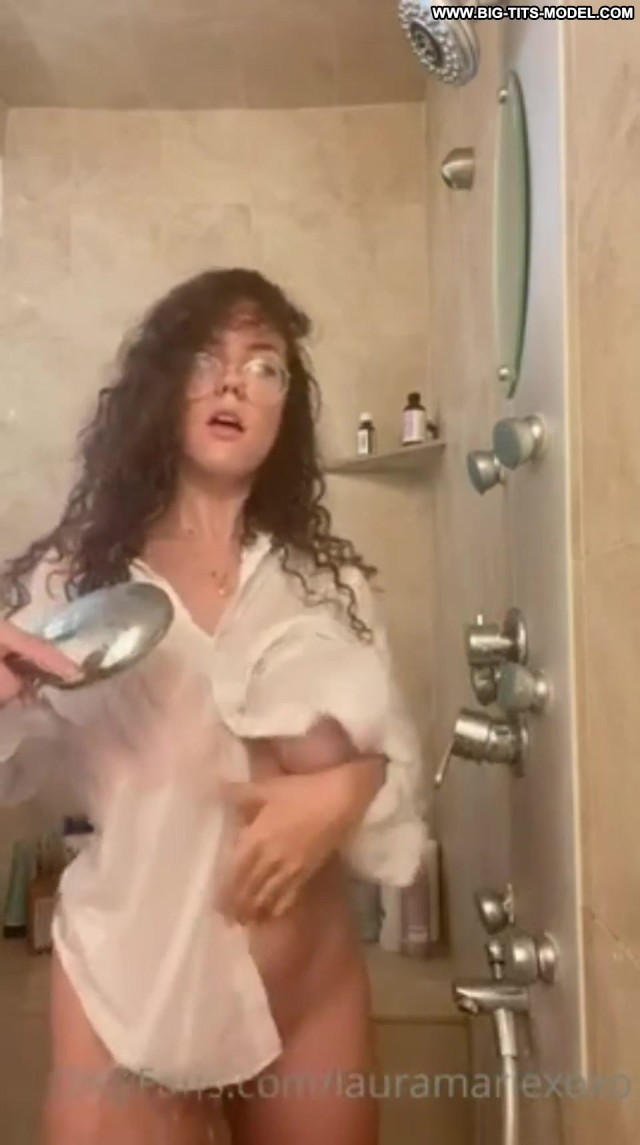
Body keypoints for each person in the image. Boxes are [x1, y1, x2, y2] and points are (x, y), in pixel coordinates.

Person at [0, 269, 426, 1145]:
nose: (234, 381)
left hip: (307, 994)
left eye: (264, 366)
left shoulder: (331, 585)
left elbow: (393, 768)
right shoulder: (72, 582)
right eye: (206, 358)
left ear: (284, 412)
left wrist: (347, 790)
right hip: (133, 996)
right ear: (162, 386)